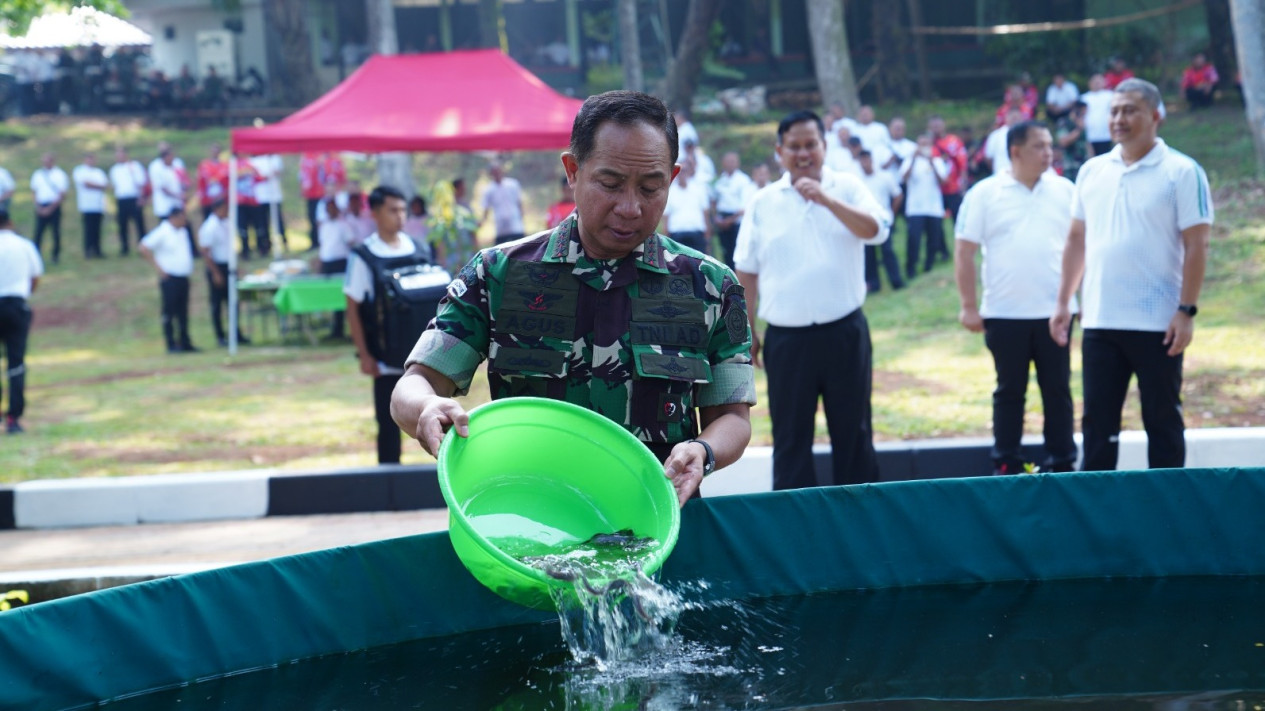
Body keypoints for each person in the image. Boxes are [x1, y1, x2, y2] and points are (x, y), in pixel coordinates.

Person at [392, 90, 756, 505]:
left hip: (658, 517)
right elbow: (415, 383)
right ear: (572, 170)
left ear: (671, 180)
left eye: (651, 188)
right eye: (610, 184)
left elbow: (731, 417)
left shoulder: (710, 286)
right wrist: (425, 408)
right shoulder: (498, 273)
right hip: (530, 520)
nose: (630, 207)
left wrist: (704, 452)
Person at [1050, 79, 1214, 471]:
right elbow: (1076, 239)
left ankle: (1170, 520)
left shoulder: (1182, 172)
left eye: (1130, 110)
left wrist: (1186, 310)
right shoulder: (1092, 171)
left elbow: (1197, 245)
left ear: (1156, 116)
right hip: (1102, 321)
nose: (1119, 119)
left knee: (1162, 423)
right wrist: (1063, 302)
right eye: (1114, 111)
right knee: (1097, 427)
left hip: (1159, 324)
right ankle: (1097, 522)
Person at [735, 109, 890, 490]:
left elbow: (876, 230)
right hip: (787, 340)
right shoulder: (763, 201)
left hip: (845, 332)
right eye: (794, 147)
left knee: (853, 431)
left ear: (824, 147)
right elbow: (747, 270)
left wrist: (825, 199)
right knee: (790, 438)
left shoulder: (848, 187)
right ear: (779, 151)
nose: (803, 154)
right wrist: (747, 329)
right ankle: (794, 528)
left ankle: (860, 517)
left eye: (811, 145)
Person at [955, 121, 1078, 476]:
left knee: (1057, 389)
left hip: (1055, 311)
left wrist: (1072, 301)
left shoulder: (1066, 191)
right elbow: (964, 251)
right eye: (1039, 146)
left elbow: (1082, 246)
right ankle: (1006, 461)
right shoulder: (985, 193)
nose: (1048, 153)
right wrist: (967, 305)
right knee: (1009, 390)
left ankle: (1063, 460)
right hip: (1004, 312)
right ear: (1015, 151)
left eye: (1050, 145)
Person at [344, 186, 424, 465]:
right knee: (388, 427)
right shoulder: (364, 256)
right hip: (386, 360)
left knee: (435, 422)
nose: (400, 216)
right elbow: (352, 307)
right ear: (375, 213)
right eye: (392, 210)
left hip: (423, 358)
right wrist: (365, 356)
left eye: (403, 210)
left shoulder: (419, 249)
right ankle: (389, 485)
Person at [0, 210, 43, 434]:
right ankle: (13, 418)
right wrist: (25, 294)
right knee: (16, 364)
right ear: (10, 221)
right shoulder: (23, 245)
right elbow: (35, 276)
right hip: (16, 305)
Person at [139, 208, 199, 354]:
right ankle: (171, 343)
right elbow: (143, 247)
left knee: (183, 311)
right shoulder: (163, 231)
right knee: (169, 311)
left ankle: (185, 341)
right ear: (173, 218)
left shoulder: (183, 231)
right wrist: (159, 269)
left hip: (183, 276)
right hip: (170, 278)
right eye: (182, 218)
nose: (185, 221)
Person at [197, 200, 249, 348]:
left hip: (228, 265)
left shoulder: (227, 223)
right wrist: (215, 273)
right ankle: (220, 336)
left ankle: (235, 333)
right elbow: (206, 252)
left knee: (233, 301)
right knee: (217, 303)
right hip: (217, 267)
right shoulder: (209, 227)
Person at [901, 133, 949, 279]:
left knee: (933, 239)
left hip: (933, 207)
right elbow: (903, 178)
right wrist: (914, 159)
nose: (924, 147)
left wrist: (932, 163)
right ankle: (911, 268)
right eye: (921, 144)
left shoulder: (937, 161)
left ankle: (929, 265)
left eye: (926, 144)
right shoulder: (909, 160)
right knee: (914, 239)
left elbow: (943, 181)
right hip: (915, 208)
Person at [857, 150, 905, 293]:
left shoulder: (884, 177)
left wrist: (892, 213)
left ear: (872, 160)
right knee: (868, 255)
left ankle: (896, 281)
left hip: (884, 219)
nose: (865, 163)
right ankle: (873, 284)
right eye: (862, 160)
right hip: (865, 222)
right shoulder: (858, 180)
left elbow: (898, 195)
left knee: (888, 251)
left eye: (867, 159)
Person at [318, 199, 357, 340]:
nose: (331, 211)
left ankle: (343, 328)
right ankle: (333, 327)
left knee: (341, 295)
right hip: (327, 263)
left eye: (333, 208)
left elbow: (351, 242)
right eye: (328, 208)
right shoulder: (324, 226)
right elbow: (324, 246)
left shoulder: (343, 224)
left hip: (341, 262)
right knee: (329, 295)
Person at [710, 151, 756, 269]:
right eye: (728, 161)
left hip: (736, 221)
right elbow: (714, 200)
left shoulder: (743, 180)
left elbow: (745, 207)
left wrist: (730, 220)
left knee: (738, 253)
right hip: (722, 219)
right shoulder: (720, 180)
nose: (730, 164)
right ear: (723, 163)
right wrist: (717, 218)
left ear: (737, 163)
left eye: (733, 161)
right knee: (725, 252)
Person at [662, 156, 711, 255]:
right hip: (676, 235)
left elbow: (705, 213)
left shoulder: (699, 189)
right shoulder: (670, 192)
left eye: (684, 170)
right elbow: (666, 217)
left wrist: (708, 235)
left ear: (689, 171)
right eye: (680, 171)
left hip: (697, 233)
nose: (682, 173)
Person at [30, 153, 69, 264]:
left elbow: (62, 194)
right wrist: (38, 207)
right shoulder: (37, 174)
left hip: (54, 206)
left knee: (55, 233)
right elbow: (34, 191)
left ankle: (55, 256)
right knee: (38, 233)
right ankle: (36, 256)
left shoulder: (60, 174)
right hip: (41, 205)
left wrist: (50, 209)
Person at [109, 147, 147, 255]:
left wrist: (141, 197)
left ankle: (142, 247)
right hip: (121, 199)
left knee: (139, 224)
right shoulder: (114, 169)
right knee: (122, 224)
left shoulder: (134, 166)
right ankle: (124, 248)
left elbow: (141, 182)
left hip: (134, 198)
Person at [72, 152, 109, 260]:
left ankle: (97, 250)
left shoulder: (99, 172)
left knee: (97, 229)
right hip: (87, 205)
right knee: (88, 229)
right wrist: (99, 186)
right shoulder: (80, 171)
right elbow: (87, 184)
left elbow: (104, 185)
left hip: (98, 205)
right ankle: (88, 250)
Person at [480, 162, 525, 245]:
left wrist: (522, 217)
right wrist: (482, 222)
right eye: (494, 172)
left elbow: (519, 202)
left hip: (516, 225)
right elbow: (486, 208)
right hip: (501, 228)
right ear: (491, 174)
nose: (497, 173)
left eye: (498, 171)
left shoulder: (513, 184)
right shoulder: (489, 189)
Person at [251, 153, 288, 252]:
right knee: (263, 223)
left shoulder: (275, 158)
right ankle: (265, 246)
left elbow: (277, 172)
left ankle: (284, 242)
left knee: (278, 221)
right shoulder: (254, 160)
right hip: (260, 196)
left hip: (274, 195)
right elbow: (254, 175)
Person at [1055, 101, 1091, 182]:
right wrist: (1078, 129)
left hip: (1083, 165)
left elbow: (1086, 143)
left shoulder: (1082, 124)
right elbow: (1063, 142)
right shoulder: (1064, 122)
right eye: (1082, 113)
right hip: (1070, 166)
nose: (1084, 116)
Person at [984, 108, 1024, 177]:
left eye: (1017, 118)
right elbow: (988, 158)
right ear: (1006, 118)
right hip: (1000, 176)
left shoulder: (1027, 135)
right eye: (1013, 118)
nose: (1015, 120)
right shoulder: (995, 135)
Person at [1081, 74, 1114, 157]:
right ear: (1090, 83)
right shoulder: (1084, 98)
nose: (1097, 83)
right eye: (1094, 81)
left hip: (1107, 134)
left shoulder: (1111, 96)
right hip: (1090, 135)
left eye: (1099, 81)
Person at [196, 144, 228, 223]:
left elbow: (226, 181)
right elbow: (202, 181)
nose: (215, 153)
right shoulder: (204, 165)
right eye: (213, 151)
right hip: (208, 200)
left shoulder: (224, 165)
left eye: (216, 151)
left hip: (221, 199)